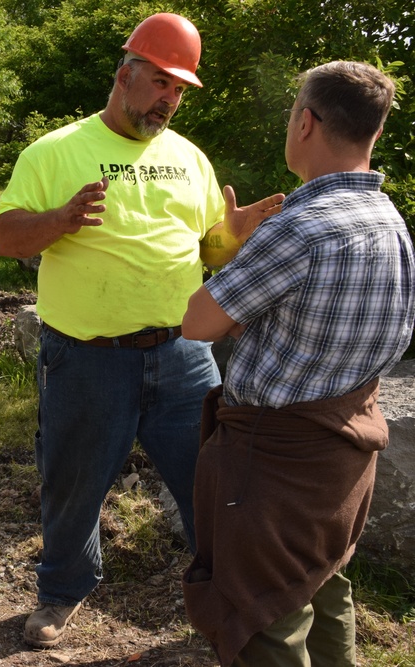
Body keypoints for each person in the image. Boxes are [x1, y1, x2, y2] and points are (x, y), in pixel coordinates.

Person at [0, 13, 285, 649]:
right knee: (71, 485)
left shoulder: (189, 159)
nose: (170, 99)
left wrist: (233, 238)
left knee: (210, 484)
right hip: (87, 359)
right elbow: (3, 237)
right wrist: (61, 220)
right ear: (125, 75)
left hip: (184, 355)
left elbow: (208, 253)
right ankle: (61, 593)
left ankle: (225, 599)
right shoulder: (55, 150)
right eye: (160, 82)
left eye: (179, 89)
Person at [181, 61, 413, 666]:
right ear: (375, 134)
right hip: (347, 450)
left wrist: (229, 250)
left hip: (275, 464)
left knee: (264, 616)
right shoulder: (392, 224)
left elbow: (198, 323)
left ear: (305, 123)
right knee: (324, 581)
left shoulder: (301, 227)